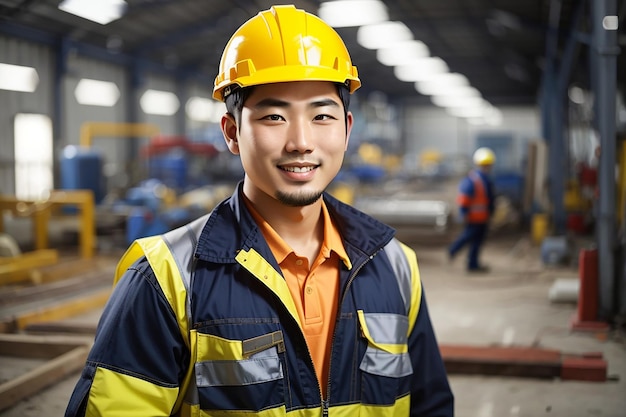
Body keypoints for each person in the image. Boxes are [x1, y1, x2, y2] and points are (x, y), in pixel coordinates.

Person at [65, 5, 454, 417]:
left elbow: (429, 406)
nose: (301, 141)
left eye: (322, 115)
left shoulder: (396, 267)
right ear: (232, 133)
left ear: (347, 129)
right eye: (273, 116)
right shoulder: (167, 279)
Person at [448, 147, 496, 273]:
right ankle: (453, 250)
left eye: (488, 165)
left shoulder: (485, 180)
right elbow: (464, 199)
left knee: (477, 241)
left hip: (482, 217)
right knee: (468, 237)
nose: (487, 167)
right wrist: (464, 213)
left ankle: (473, 264)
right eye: (485, 165)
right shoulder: (473, 180)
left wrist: (491, 212)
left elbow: (489, 200)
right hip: (474, 217)